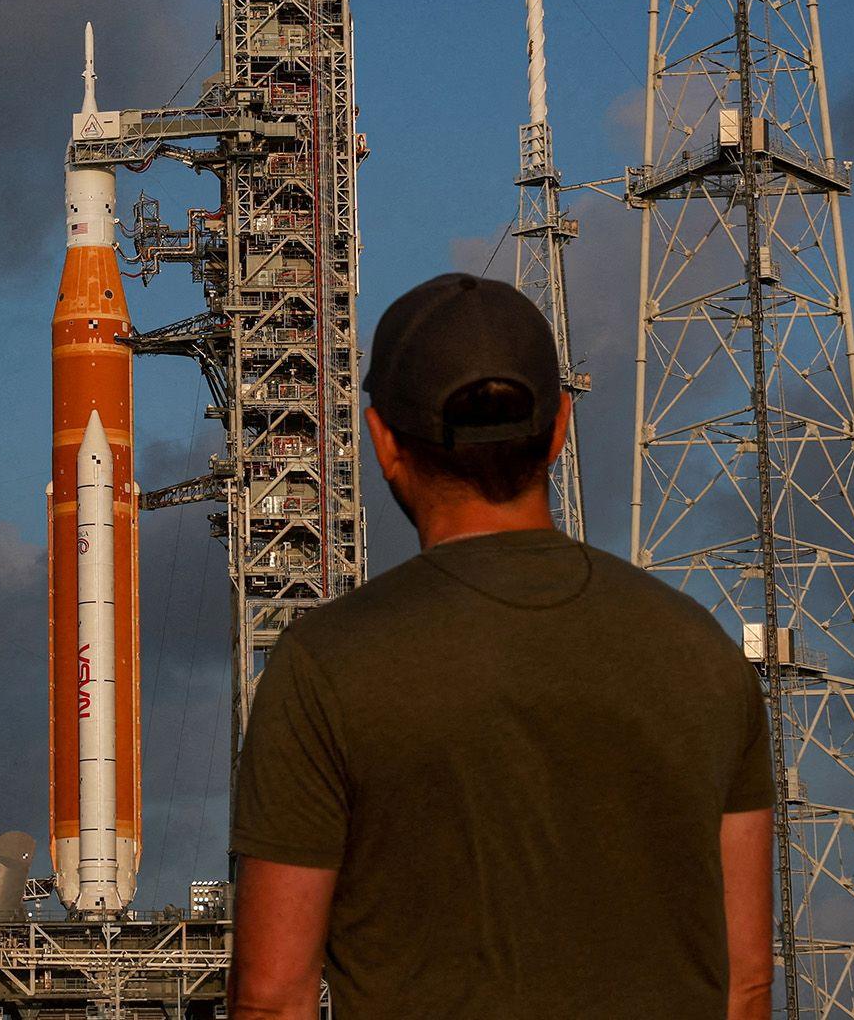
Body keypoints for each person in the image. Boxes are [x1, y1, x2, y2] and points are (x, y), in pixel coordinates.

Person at [226, 275, 774, 1020]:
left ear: (383, 440)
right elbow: (745, 982)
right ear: (559, 428)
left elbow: (272, 996)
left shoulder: (325, 665)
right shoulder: (702, 652)